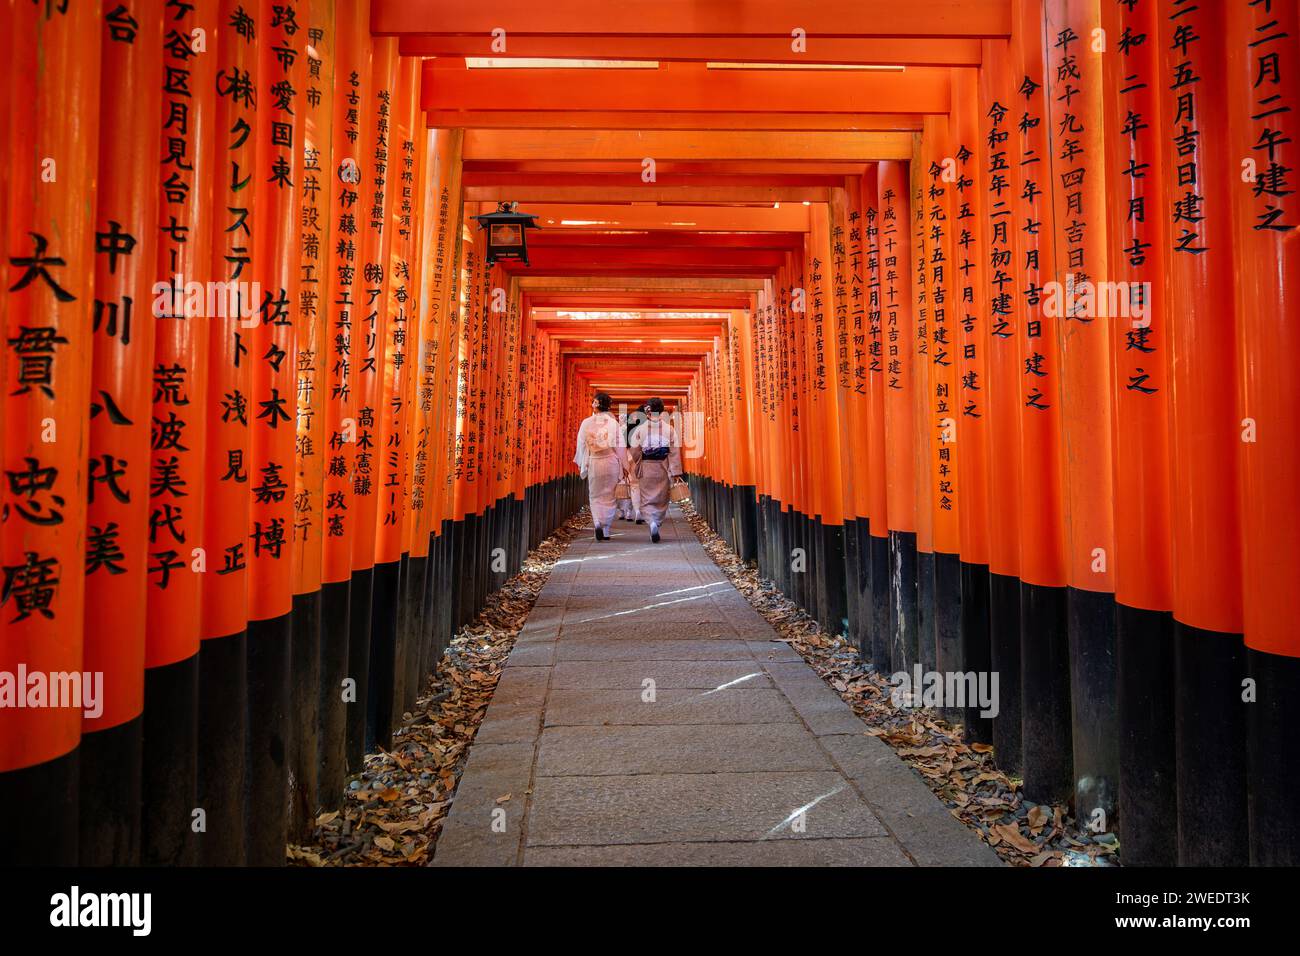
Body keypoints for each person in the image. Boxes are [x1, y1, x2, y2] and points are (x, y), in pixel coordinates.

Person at [628, 397, 683, 543]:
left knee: (646, 498)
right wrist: (675, 471)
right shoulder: (669, 429)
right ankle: (657, 522)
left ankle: (651, 522)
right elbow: (674, 451)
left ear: (648, 411)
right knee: (661, 498)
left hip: (646, 466)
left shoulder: (640, 429)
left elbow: (634, 449)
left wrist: (639, 460)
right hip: (663, 467)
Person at [574, 392, 623, 540]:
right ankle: (606, 528)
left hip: (594, 460)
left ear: (595, 404)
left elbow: (581, 444)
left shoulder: (586, 422)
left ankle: (597, 523)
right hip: (610, 461)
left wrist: (584, 462)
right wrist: (624, 466)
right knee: (610, 495)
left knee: (595, 495)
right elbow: (619, 446)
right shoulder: (613, 423)